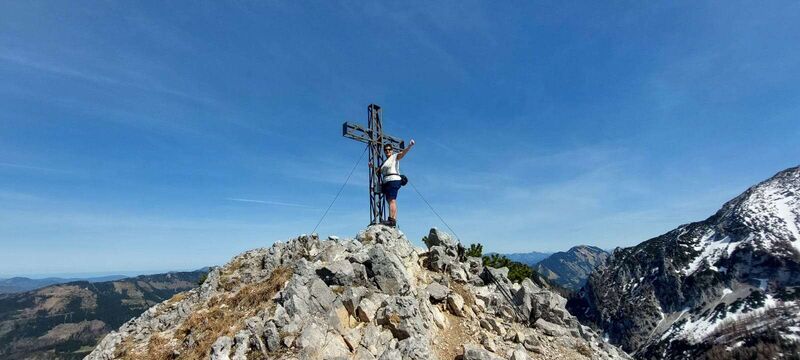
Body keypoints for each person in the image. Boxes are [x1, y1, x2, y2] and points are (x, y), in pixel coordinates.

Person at [372, 139, 415, 227]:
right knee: (389, 200)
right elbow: (378, 171)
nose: (387, 151)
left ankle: (392, 220)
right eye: (386, 150)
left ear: (392, 150)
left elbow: (402, 154)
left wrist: (409, 146)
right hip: (386, 181)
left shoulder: (395, 157)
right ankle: (392, 219)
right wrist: (372, 166)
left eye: (389, 149)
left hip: (393, 179)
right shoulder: (385, 162)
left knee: (392, 200)